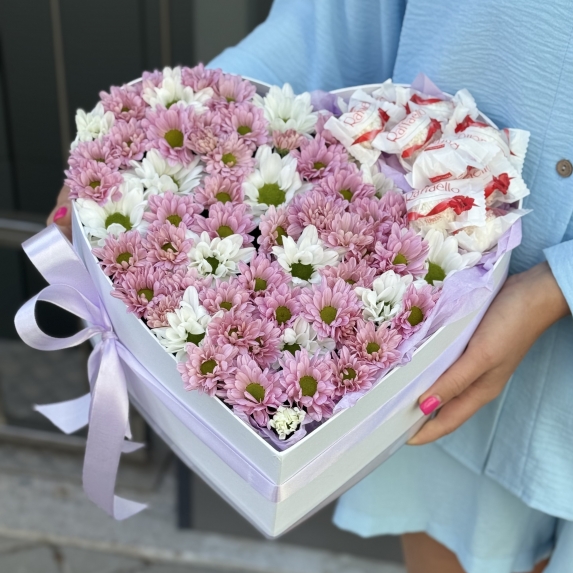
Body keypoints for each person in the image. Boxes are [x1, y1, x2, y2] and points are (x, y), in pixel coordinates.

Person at [48, 1, 573, 571]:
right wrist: (182, 114)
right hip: (427, 340)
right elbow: (338, 17)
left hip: (440, 307)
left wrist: (556, 286)